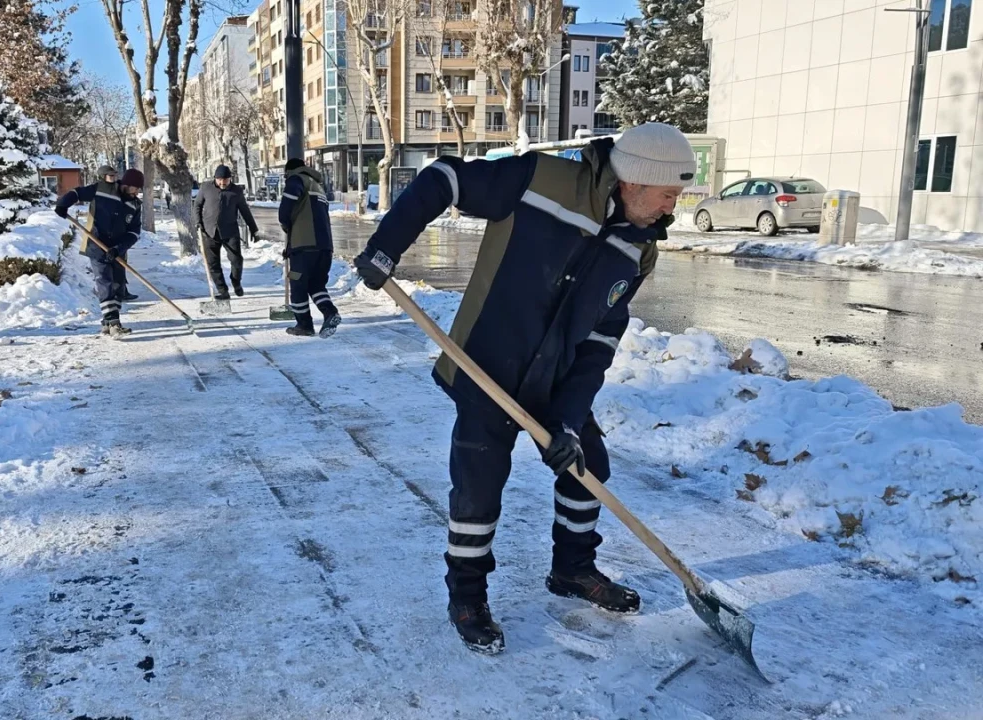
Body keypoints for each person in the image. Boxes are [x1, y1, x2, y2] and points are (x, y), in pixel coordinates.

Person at [353, 123, 695, 655]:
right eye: (668, 194)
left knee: (587, 468)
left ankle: (572, 569)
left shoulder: (638, 249)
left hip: (554, 381)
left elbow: (599, 343)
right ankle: (467, 597)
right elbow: (444, 178)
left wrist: (568, 421)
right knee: (478, 486)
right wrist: (385, 247)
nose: (672, 208)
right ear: (635, 180)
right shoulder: (540, 180)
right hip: (486, 368)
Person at [55, 165, 144, 336]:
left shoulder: (135, 205)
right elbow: (77, 193)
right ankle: (114, 322)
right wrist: (62, 204)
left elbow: (134, 233)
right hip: (97, 245)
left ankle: (107, 322)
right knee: (105, 283)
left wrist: (119, 249)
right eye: (136, 188)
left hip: (117, 250)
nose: (137, 192)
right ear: (127, 184)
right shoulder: (103, 189)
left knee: (118, 286)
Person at [278, 158, 340, 338]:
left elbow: (285, 211)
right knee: (316, 284)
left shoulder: (296, 179)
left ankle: (304, 325)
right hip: (325, 246)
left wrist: (285, 224)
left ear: (289, 171)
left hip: (304, 245)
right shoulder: (318, 186)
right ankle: (330, 313)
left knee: (297, 285)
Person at [194, 165, 259, 300]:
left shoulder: (236, 191)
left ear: (230, 179)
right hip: (209, 231)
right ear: (215, 178)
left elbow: (245, 211)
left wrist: (253, 229)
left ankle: (236, 282)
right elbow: (197, 205)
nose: (222, 183)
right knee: (213, 263)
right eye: (220, 180)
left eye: (225, 180)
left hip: (230, 231)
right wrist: (198, 222)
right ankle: (222, 290)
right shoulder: (206, 188)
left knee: (236, 260)